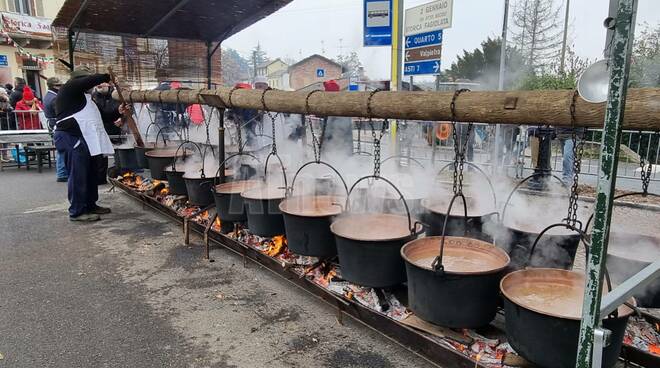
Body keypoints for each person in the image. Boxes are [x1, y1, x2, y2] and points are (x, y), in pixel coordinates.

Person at [54, 67, 129, 222]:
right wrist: (107, 77)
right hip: (72, 137)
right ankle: (77, 211)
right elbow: (88, 81)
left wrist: (118, 112)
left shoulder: (86, 98)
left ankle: (90, 204)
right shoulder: (69, 89)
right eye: (86, 80)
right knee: (78, 175)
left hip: (86, 139)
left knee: (90, 173)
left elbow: (103, 116)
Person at [92, 82, 123, 184]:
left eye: (102, 84)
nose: (99, 86)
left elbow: (107, 114)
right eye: (98, 85)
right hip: (101, 128)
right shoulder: (94, 97)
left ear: (109, 84)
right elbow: (103, 114)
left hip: (115, 126)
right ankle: (99, 178)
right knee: (100, 154)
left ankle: (119, 170)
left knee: (117, 150)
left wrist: (120, 116)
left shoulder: (116, 94)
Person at [320, 80, 353, 157]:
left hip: (338, 146)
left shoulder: (336, 107)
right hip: (339, 145)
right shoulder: (337, 104)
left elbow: (332, 130)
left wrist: (324, 143)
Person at [44, 77, 68, 182]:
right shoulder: (54, 98)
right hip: (57, 124)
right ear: (54, 86)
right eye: (59, 86)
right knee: (62, 149)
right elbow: (60, 112)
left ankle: (62, 172)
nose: (61, 87)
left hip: (53, 123)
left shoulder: (49, 95)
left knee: (61, 149)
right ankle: (62, 173)